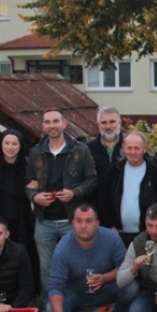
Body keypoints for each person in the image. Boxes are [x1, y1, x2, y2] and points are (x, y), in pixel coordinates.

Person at [25, 109, 98, 300]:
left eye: (56, 121)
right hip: (44, 221)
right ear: (43, 126)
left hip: (71, 219)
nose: (52, 126)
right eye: (48, 122)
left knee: (78, 266)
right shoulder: (35, 152)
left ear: (64, 124)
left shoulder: (80, 150)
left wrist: (74, 193)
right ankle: (51, 306)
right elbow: (26, 184)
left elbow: (92, 180)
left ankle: (79, 305)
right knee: (46, 269)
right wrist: (35, 197)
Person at [45, 204, 128, 312]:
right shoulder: (63, 248)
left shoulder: (111, 238)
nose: (83, 226)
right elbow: (55, 285)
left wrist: (105, 278)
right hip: (76, 294)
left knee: (131, 287)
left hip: (105, 289)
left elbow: (125, 268)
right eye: (79, 221)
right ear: (73, 223)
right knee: (52, 311)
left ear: (97, 223)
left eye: (88, 221)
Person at [0, 128, 40, 297]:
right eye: (7, 143)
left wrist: (35, 188)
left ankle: (25, 295)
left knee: (23, 258)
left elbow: (35, 194)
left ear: (20, 146)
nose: (10, 147)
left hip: (22, 223)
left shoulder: (27, 169)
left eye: (14, 143)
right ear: (1, 145)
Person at [99, 130, 157, 248]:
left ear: (145, 149)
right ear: (123, 148)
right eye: (129, 148)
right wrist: (110, 226)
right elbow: (104, 200)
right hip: (118, 235)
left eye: (137, 148)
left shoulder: (155, 173)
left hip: (147, 235)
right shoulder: (114, 171)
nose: (132, 152)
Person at [87, 106, 125, 209]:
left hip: (125, 207)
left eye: (112, 122)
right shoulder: (88, 149)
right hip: (97, 208)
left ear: (119, 123)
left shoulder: (131, 147)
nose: (108, 126)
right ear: (98, 125)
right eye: (104, 123)